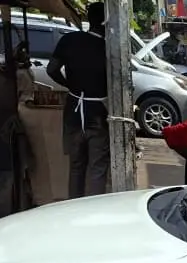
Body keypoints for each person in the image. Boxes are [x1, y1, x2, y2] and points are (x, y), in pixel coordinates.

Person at [47, 2, 110, 199]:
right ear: (106, 23)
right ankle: (93, 210)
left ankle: (72, 207)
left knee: (76, 166)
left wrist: (70, 86)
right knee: (97, 168)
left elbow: (51, 70)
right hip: (98, 113)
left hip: (73, 110)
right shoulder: (108, 48)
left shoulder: (69, 39)